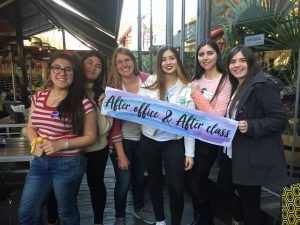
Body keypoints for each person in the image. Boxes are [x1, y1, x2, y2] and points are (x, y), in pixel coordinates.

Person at [18, 53, 97, 225]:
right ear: (50, 72)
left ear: (74, 74)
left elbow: (91, 137)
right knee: (26, 214)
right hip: (40, 162)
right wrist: (34, 142)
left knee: (66, 213)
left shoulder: (82, 102)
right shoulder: (38, 98)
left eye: (68, 70)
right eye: (57, 68)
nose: (62, 73)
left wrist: (61, 144)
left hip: (68, 164)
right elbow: (31, 127)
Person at [218, 45, 288, 225]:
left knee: (251, 204)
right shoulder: (236, 85)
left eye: (242, 60)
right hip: (231, 154)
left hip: (250, 157)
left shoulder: (263, 86)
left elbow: (280, 120)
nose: (237, 65)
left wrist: (251, 126)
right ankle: (238, 218)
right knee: (223, 191)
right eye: (233, 61)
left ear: (250, 63)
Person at [46, 50, 113, 225]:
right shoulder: (66, 87)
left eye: (98, 66)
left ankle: (98, 221)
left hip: (97, 148)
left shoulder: (104, 94)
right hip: (69, 150)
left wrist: (101, 107)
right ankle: (54, 220)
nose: (93, 68)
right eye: (89, 63)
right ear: (80, 65)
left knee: (96, 186)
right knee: (60, 188)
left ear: (101, 72)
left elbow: (104, 128)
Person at [138, 46, 195, 225]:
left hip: (174, 143)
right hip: (150, 140)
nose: (168, 62)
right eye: (164, 59)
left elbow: (190, 123)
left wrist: (189, 153)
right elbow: (137, 109)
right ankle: (160, 220)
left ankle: (176, 222)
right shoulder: (149, 83)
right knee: (154, 182)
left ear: (177, 60)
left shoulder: (187, 87)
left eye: (172, 58)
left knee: (176, 187)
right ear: (159, 62)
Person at [107, 47, 154, 225]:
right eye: (119, 62)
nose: (124, 64)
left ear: (133, 61)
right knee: (123, 183)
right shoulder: (115, 88)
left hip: (144, 139)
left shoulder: (149, 80)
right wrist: (121, 155)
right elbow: (115, 125)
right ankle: (120, 216)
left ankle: (139, 210)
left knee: (139, 180)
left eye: (127, 60)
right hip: (123, 141)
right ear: (115, 65)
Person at [187, 39, 232, 225]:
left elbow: (217, 117)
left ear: (217, 55)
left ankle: (206, 220)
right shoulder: (195, 80)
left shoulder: (225, 82)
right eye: (201, 54)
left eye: (209, 53)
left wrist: (196, 94)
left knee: (196, 182)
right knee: (190, 180)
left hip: (209, 141)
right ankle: (199, 215)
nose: (205, 57)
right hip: (190, 139)